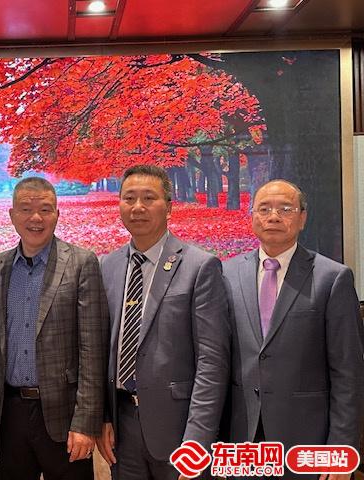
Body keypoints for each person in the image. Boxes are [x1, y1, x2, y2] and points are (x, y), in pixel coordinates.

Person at [222, 179, 364, 479]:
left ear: (302, 218)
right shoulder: (226, 273)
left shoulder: (332, 278)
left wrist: (341, 448)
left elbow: (348, 372)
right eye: (264, 209)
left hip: (307, 440)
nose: (273, 217)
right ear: (252, 217)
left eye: (285, 209)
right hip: (241, 437)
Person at [96, 165, 230, 480]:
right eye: (129, 198)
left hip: (179, 429)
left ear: (169, 207)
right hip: (122, 428)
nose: (138, 207)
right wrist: (103, 417)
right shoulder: (108, 265)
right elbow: (102, 349)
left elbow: (212, 362)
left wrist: (197, 441)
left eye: (148, 198)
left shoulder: (200, 266)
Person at [0, 177, 108, 480]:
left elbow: (93, 350)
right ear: (12, 215)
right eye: (26, 209)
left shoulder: (81, 264)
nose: (35, 218)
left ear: (57, 215)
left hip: (65, 417)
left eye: (45, 210)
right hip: (8, 416)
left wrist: (85, 422)